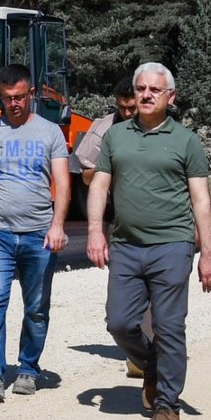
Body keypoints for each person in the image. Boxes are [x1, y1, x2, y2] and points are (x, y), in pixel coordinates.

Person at [83, 63, 211, 420]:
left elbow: (201, 200)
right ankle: (153, 363)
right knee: (120, 323)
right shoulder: (116, 136)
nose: (145, 95)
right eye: (141, 88)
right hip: (125, 245)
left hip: (172, 245)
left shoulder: (186, 140)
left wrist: (208, 253)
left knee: (169, 325)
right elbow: (99, 186)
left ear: (170, 97)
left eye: (154, 90)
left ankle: (167, 405)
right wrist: (96, 232)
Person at [0, 65, 71, 402]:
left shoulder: (50, 132)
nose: (15, 104)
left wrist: (57, 225)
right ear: (1, 96)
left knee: (36, 307)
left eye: (21, 97)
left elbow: (63, 182)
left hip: (39, 234)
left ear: (31, 94)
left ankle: (28, 368)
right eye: (9, 98)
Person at [75, 75, 149, 376]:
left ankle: (145, 357)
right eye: (122, 108)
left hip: (159, 218)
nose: (128, 114)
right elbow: (86, 175)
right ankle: (138, 351)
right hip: (119, 218)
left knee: (156, 294)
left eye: (132, 107)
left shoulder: (160, 125)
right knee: (127, 292)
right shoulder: (104, 128)